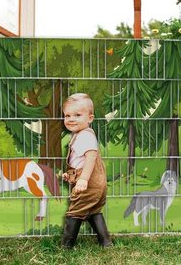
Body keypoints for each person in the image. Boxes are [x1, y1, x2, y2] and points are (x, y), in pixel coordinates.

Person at [61, 93, 112, 248]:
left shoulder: (85, 136)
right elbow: (79, 162)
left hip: (89, 183)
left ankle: (67, 246)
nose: (71, 119)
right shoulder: (81, 134)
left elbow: (90, 158)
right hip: (95, 184)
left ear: (90, 118)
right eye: (67, 115)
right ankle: (105, 241)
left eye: (77, 115)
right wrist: (71, 176)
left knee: (75, 211)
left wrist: (83, 179)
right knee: (93, 211)